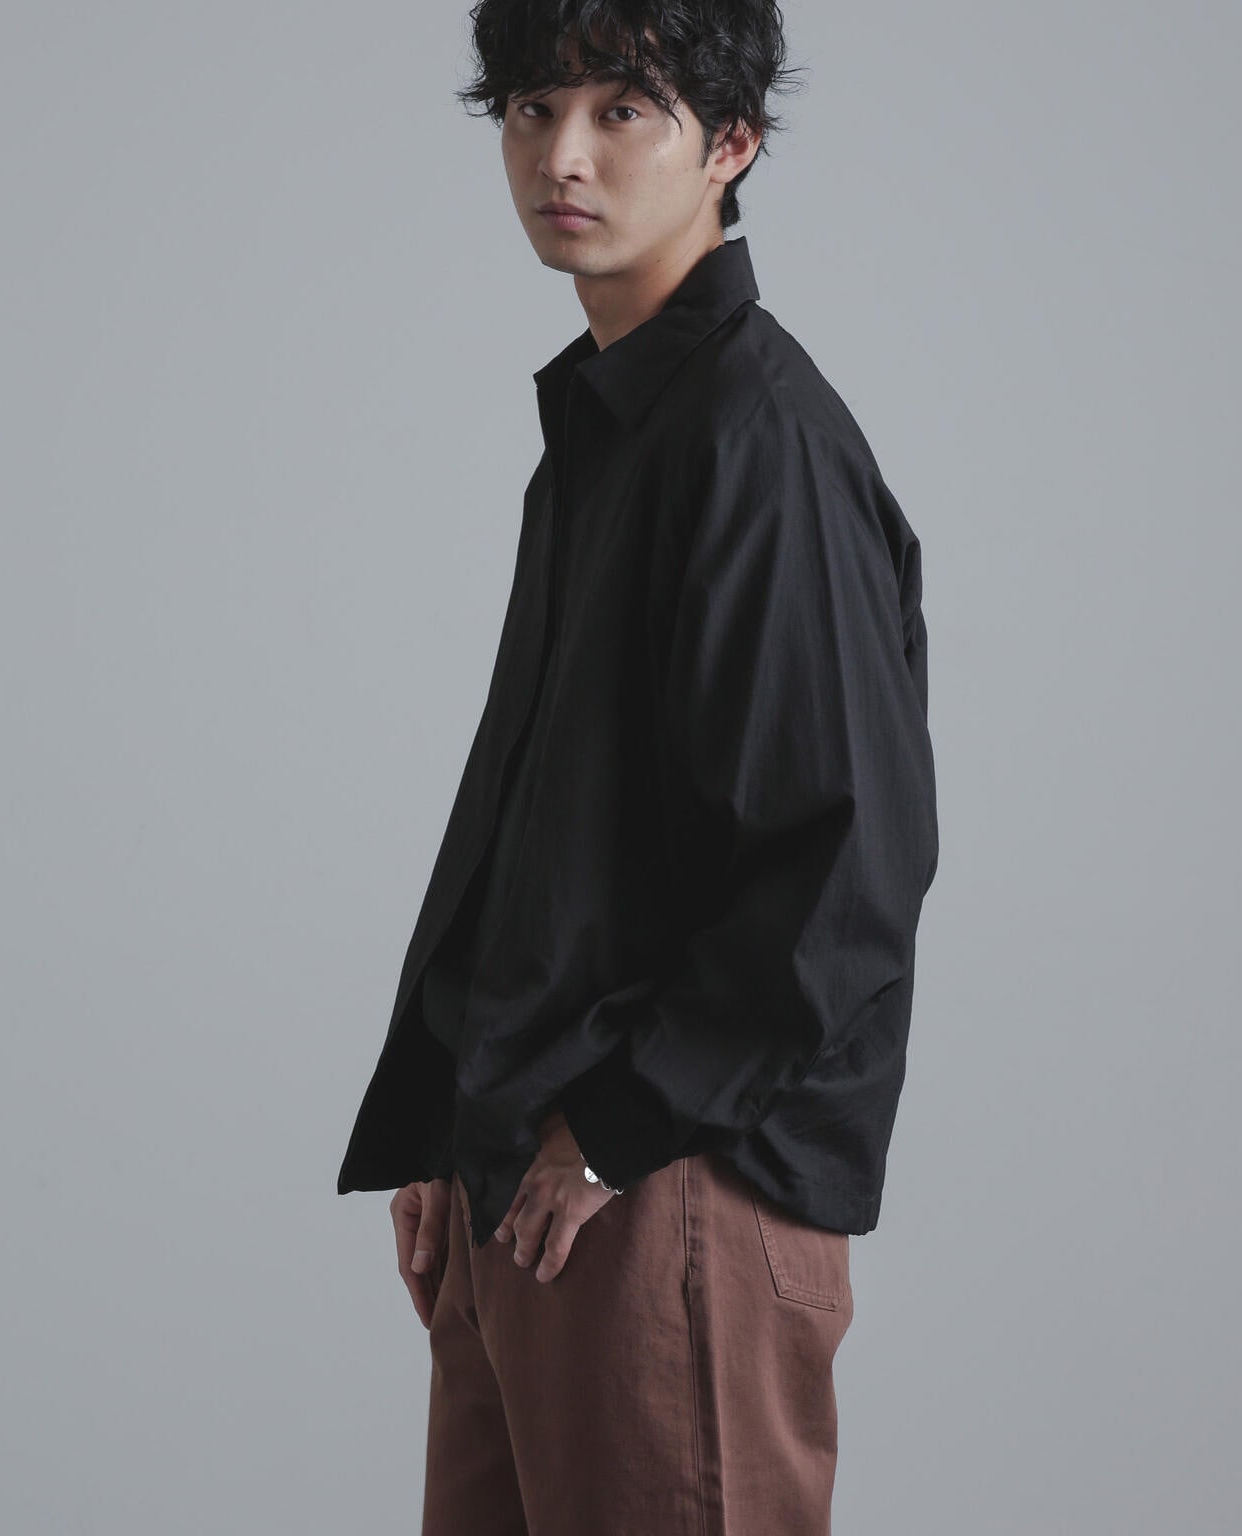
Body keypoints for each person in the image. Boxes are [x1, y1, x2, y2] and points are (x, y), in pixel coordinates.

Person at [336, 5, 939, 1531]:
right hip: (532, 1181)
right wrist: (454, 1114)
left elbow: (843, 872)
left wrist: (612, 1134)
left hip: (672, 1192)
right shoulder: (610, 431)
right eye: (533, 109)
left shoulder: (758, 440)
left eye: (622, 111)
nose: (563, 156)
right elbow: (555, 838)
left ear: (731, 144)